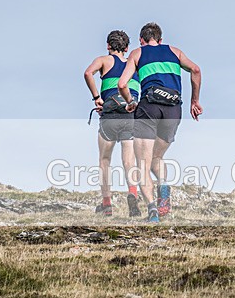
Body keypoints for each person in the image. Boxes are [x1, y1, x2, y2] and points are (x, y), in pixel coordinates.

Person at [118, 22, 203, 222]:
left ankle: (152, 210)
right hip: (174, 110)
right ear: (160, 39)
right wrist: (194, 101)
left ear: (141, 40)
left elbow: (122, 83)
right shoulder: (175, 51)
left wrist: (130, 102)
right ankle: (163, 192)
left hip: (149, 107)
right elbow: (196, 70)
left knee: (143, 163)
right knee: (157, 157)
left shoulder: (137, 54)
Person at [83, 30, 142, 217]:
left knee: (104, 159)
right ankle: (133, 193)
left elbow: (87, 73)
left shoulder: (104, 60)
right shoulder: (134, 65)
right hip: (130, 113)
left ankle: (106, 204)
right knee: (128, 160)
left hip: (109, 114)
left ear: (108, 46)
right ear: (126, 48)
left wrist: (96, 98)